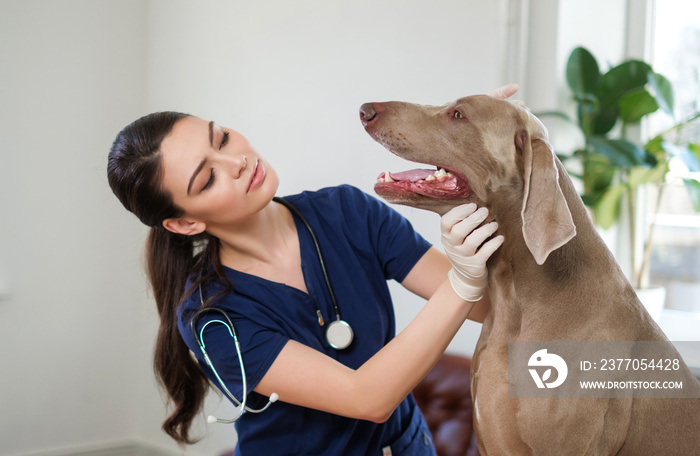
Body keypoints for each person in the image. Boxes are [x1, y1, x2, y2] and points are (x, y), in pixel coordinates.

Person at [107, 85, 516, 455]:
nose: (236, 161)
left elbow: (490, 308)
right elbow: (367, 399)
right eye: (208, 178)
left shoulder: (347, 212)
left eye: (223, 138)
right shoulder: (212, 317)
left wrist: (477, 156)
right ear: (184, 223)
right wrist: (462, 282)